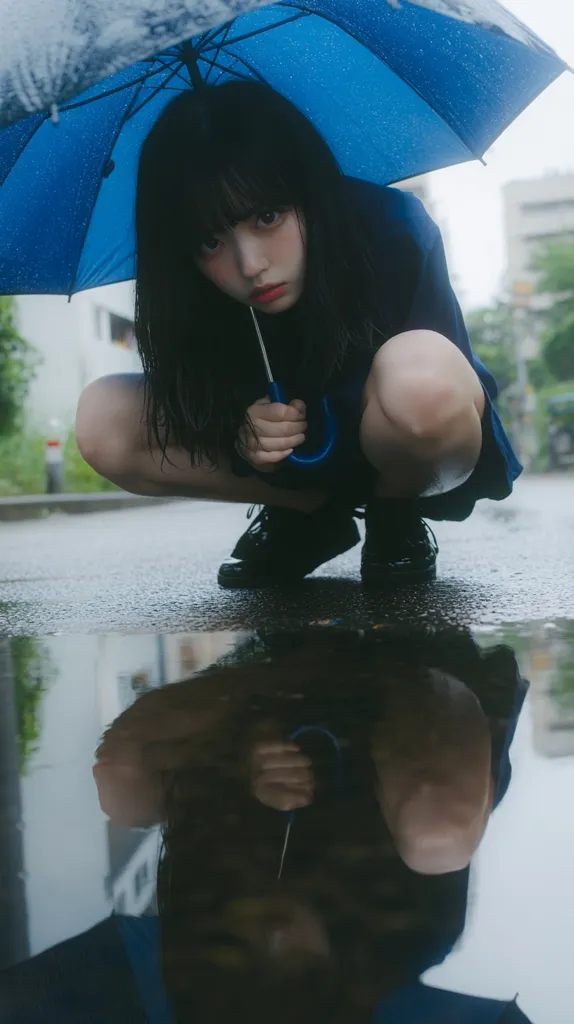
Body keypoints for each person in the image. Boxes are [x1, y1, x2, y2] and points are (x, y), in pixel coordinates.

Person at [74, 80, 522, 588]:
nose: (250, 265)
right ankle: (310, 515)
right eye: (210, 239)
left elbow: (440, 392)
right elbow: (192, 395)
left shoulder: (392, 228)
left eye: (268, 217)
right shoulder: (191, 289)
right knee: (102, 418)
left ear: (306, 189)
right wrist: (240, 428)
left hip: (403, 446)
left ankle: (394, 514)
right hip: (296, 468)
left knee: (419, 383)